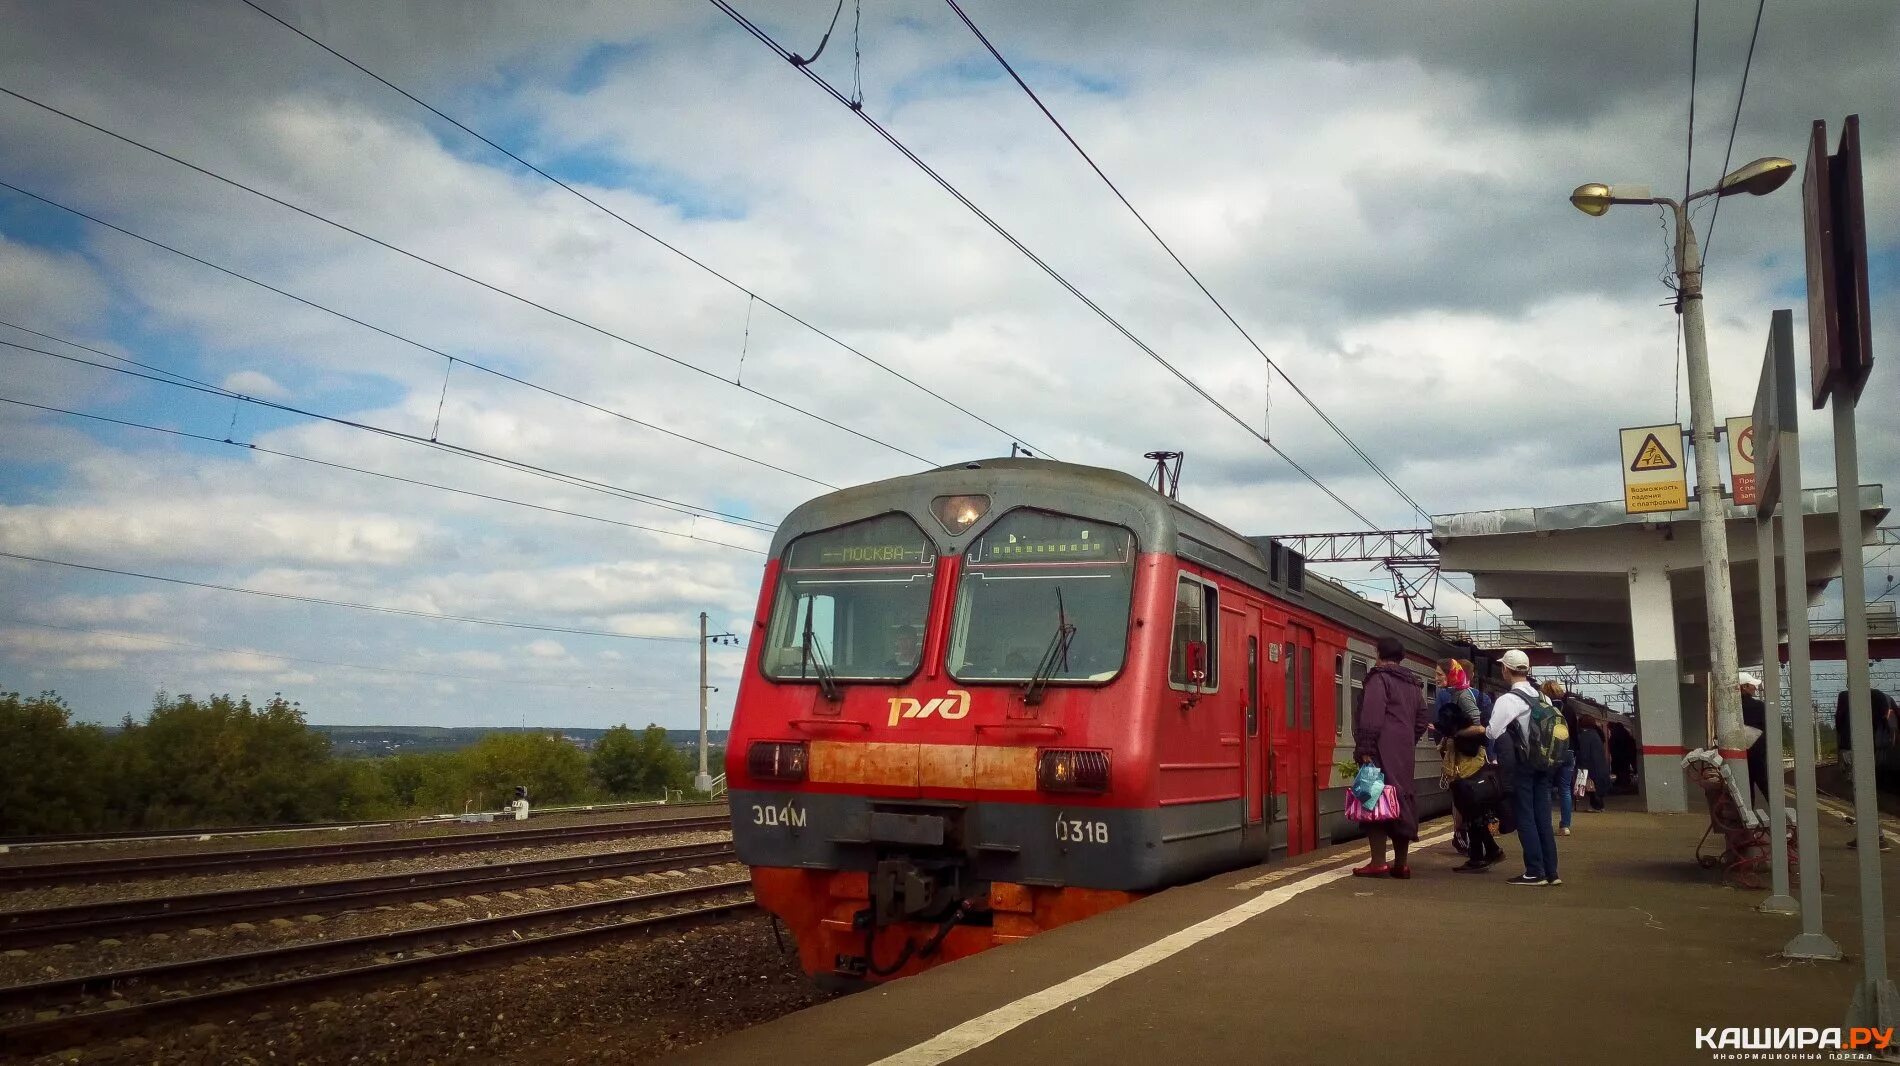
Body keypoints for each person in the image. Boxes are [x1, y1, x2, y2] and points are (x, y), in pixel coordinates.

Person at [1352, 636, 1430, 879]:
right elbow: (1422, 720)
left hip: (1379, 748)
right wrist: (1407, 739)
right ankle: (1401, 864)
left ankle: (1377, 862)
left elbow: (1371, 715)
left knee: (1373, 800)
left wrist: (1365, 748)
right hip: (1403, 750)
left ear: (1378, 653)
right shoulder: (1413, 684)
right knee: (1401, 800)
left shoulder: (1379, 678)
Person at [1487, 649, 1560, 885]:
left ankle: (1534, 871)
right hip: (1544, 764)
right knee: (1543, 819)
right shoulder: (1543, 698)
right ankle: (1551, 872)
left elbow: (1493, 731)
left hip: (1523, 765)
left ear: (1506, 670)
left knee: (1525, 817)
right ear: (1527, 670)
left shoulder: (1508, 700)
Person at [1838, 687, 1897, 850]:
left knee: (1859, 793)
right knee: (1867, 792)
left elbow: (1839, 722)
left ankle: (1875, 837)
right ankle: (1872, 835)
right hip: (1876, 750)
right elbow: (1894, 722)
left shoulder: (1845, 696)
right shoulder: (1885, 697)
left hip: (1851, 749)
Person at [1544, 680, 1576, 836]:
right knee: (1565, 790)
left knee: (1547, 788)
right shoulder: (1569, 709)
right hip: (1568, 752)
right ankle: (1565, 826)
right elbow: (1575, 734)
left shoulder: (1545, 709)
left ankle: (1546, 824)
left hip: (1550, 753)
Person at [1739, 673, 1769, 807]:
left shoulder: (1732, 707)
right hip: (1757, 752)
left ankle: (1748, 813)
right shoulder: (1759, 706)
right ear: (1744, 687)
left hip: (1739, 752)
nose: (1755, 688)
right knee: (1764, 784)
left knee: (1746, 785)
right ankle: (1778, 812)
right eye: (1752, 685)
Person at [1573, 717, 1611, 813]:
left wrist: (1580, 765)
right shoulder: (1596, 734)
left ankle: (1596, 806)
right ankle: (1599, 805)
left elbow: (1583, 753)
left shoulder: (1585, 736)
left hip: (1590, 766)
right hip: (1600, 766)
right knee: (1596, 787)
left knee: (1590, 787)